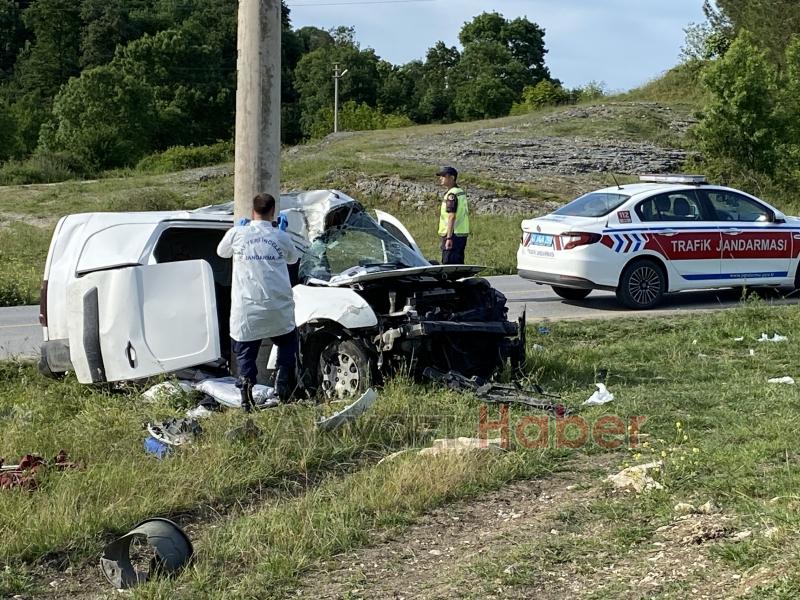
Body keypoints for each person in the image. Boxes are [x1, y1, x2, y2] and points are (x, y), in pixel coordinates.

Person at [216, 193, 300, 409]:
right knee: (288, 342)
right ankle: (283, 381)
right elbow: (293, 258)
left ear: (252, 211)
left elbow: (221, 252)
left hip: (247, 309)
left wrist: (238, 230)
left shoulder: (238, 233)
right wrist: (281, 232)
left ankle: (246, 396)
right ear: (273, 212)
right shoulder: (280, 237)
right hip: (277, 308)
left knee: (245, 351)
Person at [436, 166, 470, 264]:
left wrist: (449, 238)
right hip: (461, 234)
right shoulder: (460, 192)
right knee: (458, 264)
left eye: (443, 176)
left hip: (452, 234)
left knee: (448, 264)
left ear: (452, 178)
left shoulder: (452, 195)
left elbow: (451, 216)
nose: (440, 178)